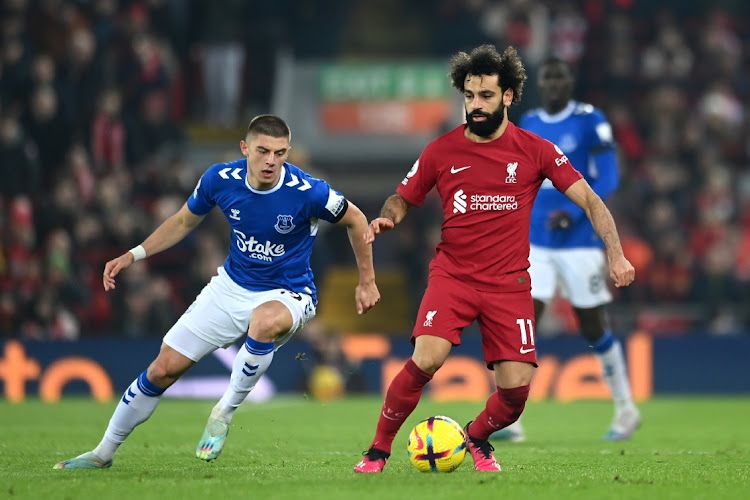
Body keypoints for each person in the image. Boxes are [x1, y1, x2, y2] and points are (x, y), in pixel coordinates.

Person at [353, 45, 634, 474]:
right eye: (469, 96)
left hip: (509, 283)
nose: (475, 105)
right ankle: (377, 451)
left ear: (508, 97)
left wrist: (615, 254)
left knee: (516, 393)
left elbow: (592, 201)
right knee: (427, 357)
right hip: (453, 276)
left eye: (485, 95)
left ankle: (477, 437)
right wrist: (388, 218)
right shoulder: (441, 150)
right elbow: (401, 196)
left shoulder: (535, 150)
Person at [54, 114, 380, 469]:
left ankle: (223, 412)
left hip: (290, 292)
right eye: (263, 151)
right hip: (229, 288)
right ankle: (102, 454)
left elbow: (357, 219)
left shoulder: (309, 192)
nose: (271, 160)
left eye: (280, 153)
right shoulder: (219, 179)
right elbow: (182, 221)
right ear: (245, 149)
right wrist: (135, 254)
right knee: (162, 370)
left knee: (264, 322)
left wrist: (367, 281)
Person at [492, 57, 640, 443]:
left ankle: (626, 409)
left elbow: (608, 176)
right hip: (535, 244)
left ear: (571, 82)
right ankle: (510, 417)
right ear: (540, 84)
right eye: (548, 78)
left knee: (591, 325)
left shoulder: (591, 120)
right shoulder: (530, 125)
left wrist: (574, 216)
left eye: (560, 77)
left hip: (580, 243)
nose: (554, 84)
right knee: (523, 322)